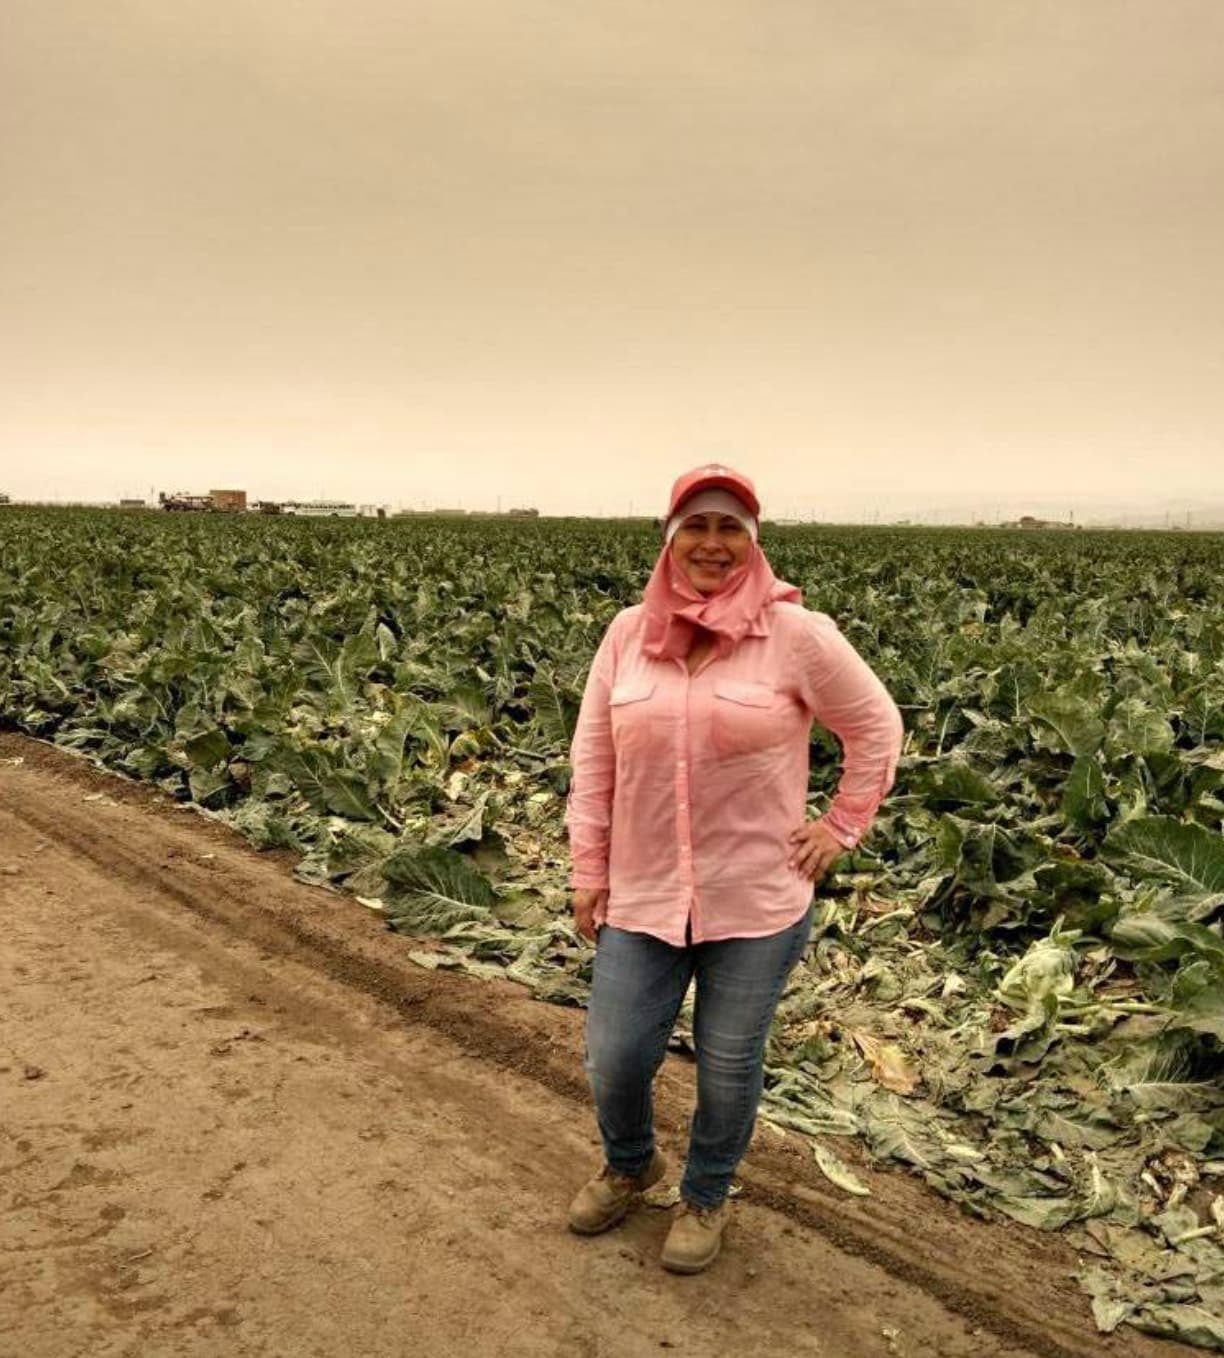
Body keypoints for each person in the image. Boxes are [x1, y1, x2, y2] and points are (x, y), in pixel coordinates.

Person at [564, 464, 903, 1275]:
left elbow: (877, 727)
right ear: (669, 538)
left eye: (730, 529)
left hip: (755, 901)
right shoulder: (627, 634)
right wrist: (588, 866)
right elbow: (595, 755)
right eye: (696, 526)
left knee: (725, 1065)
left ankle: (706, 1194)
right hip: (644, 890)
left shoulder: (797, 635)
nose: (712, 544)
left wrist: (842, 825)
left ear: (753, 542)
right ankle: (630, 1163)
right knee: (614, 1057)